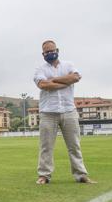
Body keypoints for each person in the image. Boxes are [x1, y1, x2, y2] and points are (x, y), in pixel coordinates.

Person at [33, 40, 96, 185]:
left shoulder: (68, 65)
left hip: (69, 111)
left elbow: (75, 77)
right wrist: (65, 82)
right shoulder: (40, 69)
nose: (49, 53)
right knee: (46, 146)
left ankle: (81, 175)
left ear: (57, 50)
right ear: (43, 54)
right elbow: (44, 85)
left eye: (51, 50)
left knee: (74, 145)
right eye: (46, 52)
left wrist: (54, 80)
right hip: (48, 112)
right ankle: (44, 175)